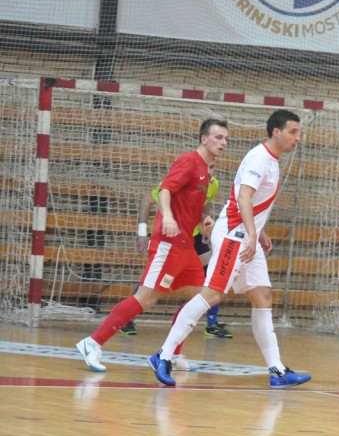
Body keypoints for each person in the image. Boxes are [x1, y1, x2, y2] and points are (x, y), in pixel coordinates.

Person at [146, 109, 311, 389]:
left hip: (246, 236)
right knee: (211, 295)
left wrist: (259, 233)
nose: (298, 138)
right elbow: (243, 197)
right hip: (236, 236)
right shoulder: (260, 157)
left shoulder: (272, 160)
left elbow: (248, 201)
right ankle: (163, 355)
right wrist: (251, 234)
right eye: (293, 132)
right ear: (277, 132)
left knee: (262, 296)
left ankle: (278, 370)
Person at [75, 119, 229, 373]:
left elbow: (191, 205)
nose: (223, 143)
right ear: (204, 139)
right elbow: (166, 190)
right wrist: (167, 217)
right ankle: (92, 343)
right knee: (145, 299)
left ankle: (171, 353)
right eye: (219, 137)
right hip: (168, 244)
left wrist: (204, 218)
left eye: (226, 139)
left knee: (202, 298)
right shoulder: (189, 161)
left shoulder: (205, 172)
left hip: (185, 247)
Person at [120, 179, 234, 342]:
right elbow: (147, 200)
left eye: (213, 167)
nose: (210, 170)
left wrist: (204, 224)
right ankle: (126, 320)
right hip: (171, 236)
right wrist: (142, 233)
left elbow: (204, 203)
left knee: (211, 275)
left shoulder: (213, 183)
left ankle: (211, 324)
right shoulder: (183, 177)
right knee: (153, 282)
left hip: (193, 236)